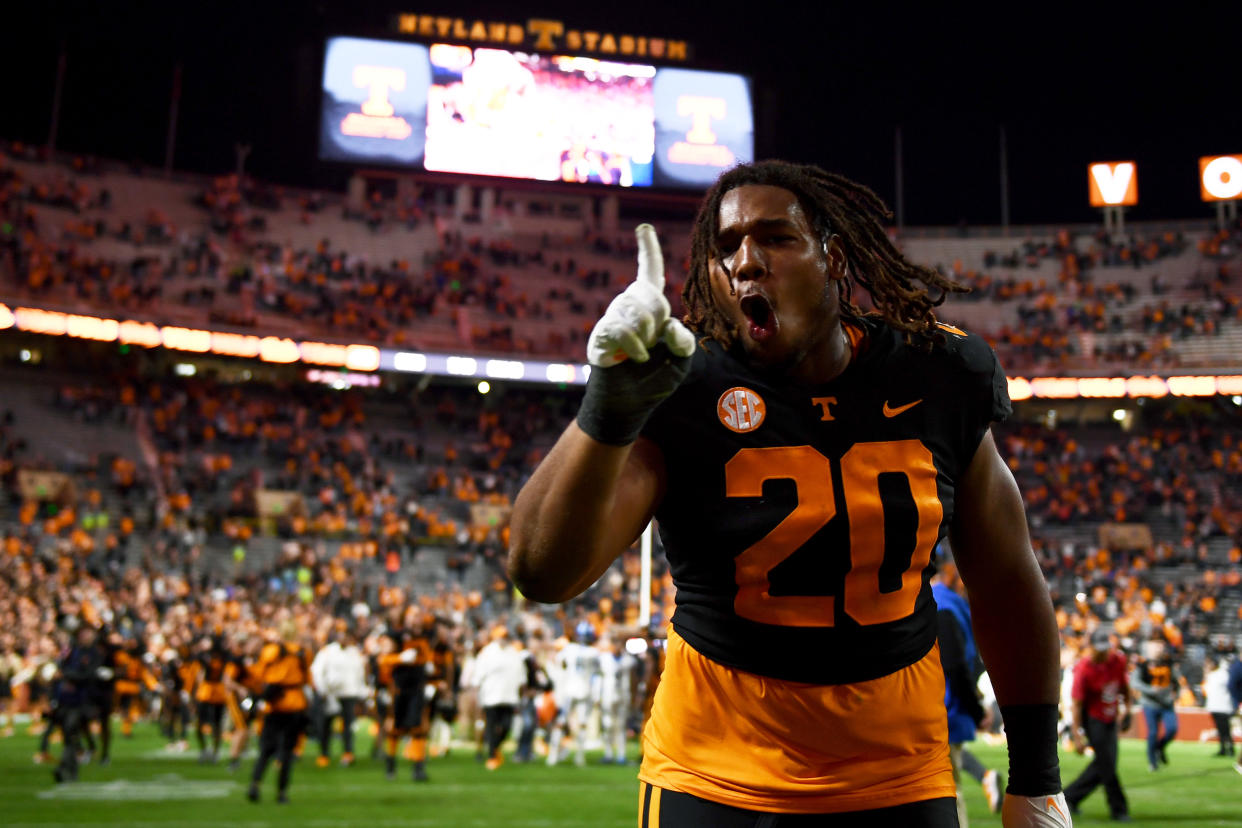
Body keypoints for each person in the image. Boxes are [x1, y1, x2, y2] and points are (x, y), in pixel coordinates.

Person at [509, 160, 1069, 827]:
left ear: (833, 257)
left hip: (897, 769)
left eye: (775, 237)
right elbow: (542, 571)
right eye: (725, 247)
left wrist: (1037, 777)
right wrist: (606, 413)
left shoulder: (937, 375)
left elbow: (1006, 580)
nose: (745, 261)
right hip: (715, 770)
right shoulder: (685, 390)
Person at [932, 566, 1003, 822]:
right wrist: (974, 708)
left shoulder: (940, 604)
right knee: (948, 793)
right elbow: (957, 665)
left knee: (943, 793)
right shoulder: (948, 607)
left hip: (937, 711)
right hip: (943, 711)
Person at [1063, 630, 1130, 822]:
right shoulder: (1084, 668)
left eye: (1106, 649)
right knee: (1107, 764)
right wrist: (1077, 735)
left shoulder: (1117, 661)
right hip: (1093, 720)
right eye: (1099, 649)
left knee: (1105, 763)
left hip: (1110, 717)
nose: (1103, 653)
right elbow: (1076, 704)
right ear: (1091, 647)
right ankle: (1119, 809)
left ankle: (1069, 797)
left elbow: (1124, 688)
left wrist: (1128, 710)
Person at [247, 624, 310, 804]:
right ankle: (282, 793)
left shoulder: (271, 651)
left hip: (274, 704)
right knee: (287, 751)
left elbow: (258, 674)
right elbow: (307, 679)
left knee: (266, 749)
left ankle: (255, 784)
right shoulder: (302, 652)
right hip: (296, 702)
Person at [1131, 633, 1179, 772]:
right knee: (1153, 732)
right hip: (1150, 703)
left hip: (1166, 703)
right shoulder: (1143, 664)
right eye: (1157, 645)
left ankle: (1160, 747)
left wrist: (1176, 695)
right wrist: (1150, 690)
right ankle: (1152, 762)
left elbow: (1177, 682)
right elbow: (1134, 682)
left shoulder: (1168, 663)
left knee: (1172, 729)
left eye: (1161, 645)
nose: (1160, 648)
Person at [1202, 655, 1235, 758]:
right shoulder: (1226, 675)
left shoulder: (1214, 675)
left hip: (1216, 706)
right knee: (1225, 729)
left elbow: (1206, 690)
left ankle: (1224, 748)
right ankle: (1228, 748)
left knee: (1222, 729)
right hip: (1223, 706)